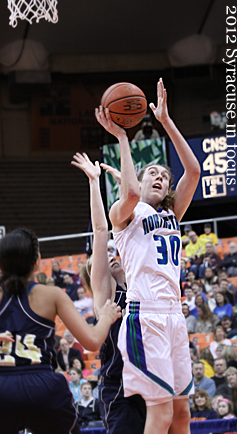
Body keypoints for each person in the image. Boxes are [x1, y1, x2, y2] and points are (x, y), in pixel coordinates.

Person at [95, 77, 201, 434]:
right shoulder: (125, 215)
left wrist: (166, 122)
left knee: (183, 415)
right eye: (151, 173)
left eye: (163, 176)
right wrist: (123, 138)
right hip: (146, 317)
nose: (159, 176)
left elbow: (195, 171)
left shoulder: (172, 214)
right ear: (139, 183)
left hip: (175, 315)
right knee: (160, 416)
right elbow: (126, 192)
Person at [0, 227, 121, 434]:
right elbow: (93, 341)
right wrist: (106, 317)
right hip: (42, 386)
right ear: (37, 260)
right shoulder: (52, 295)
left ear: (1, 263)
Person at [72, 152, 146, 434]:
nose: (108, 257)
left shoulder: (140, 280)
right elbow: (102, 231)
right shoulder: (105, 295)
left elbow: (128, 220)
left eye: (112, 252)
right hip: (120, 385)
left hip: (152, 377)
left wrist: (125, 186)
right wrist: (94, 182)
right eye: (100, 260)